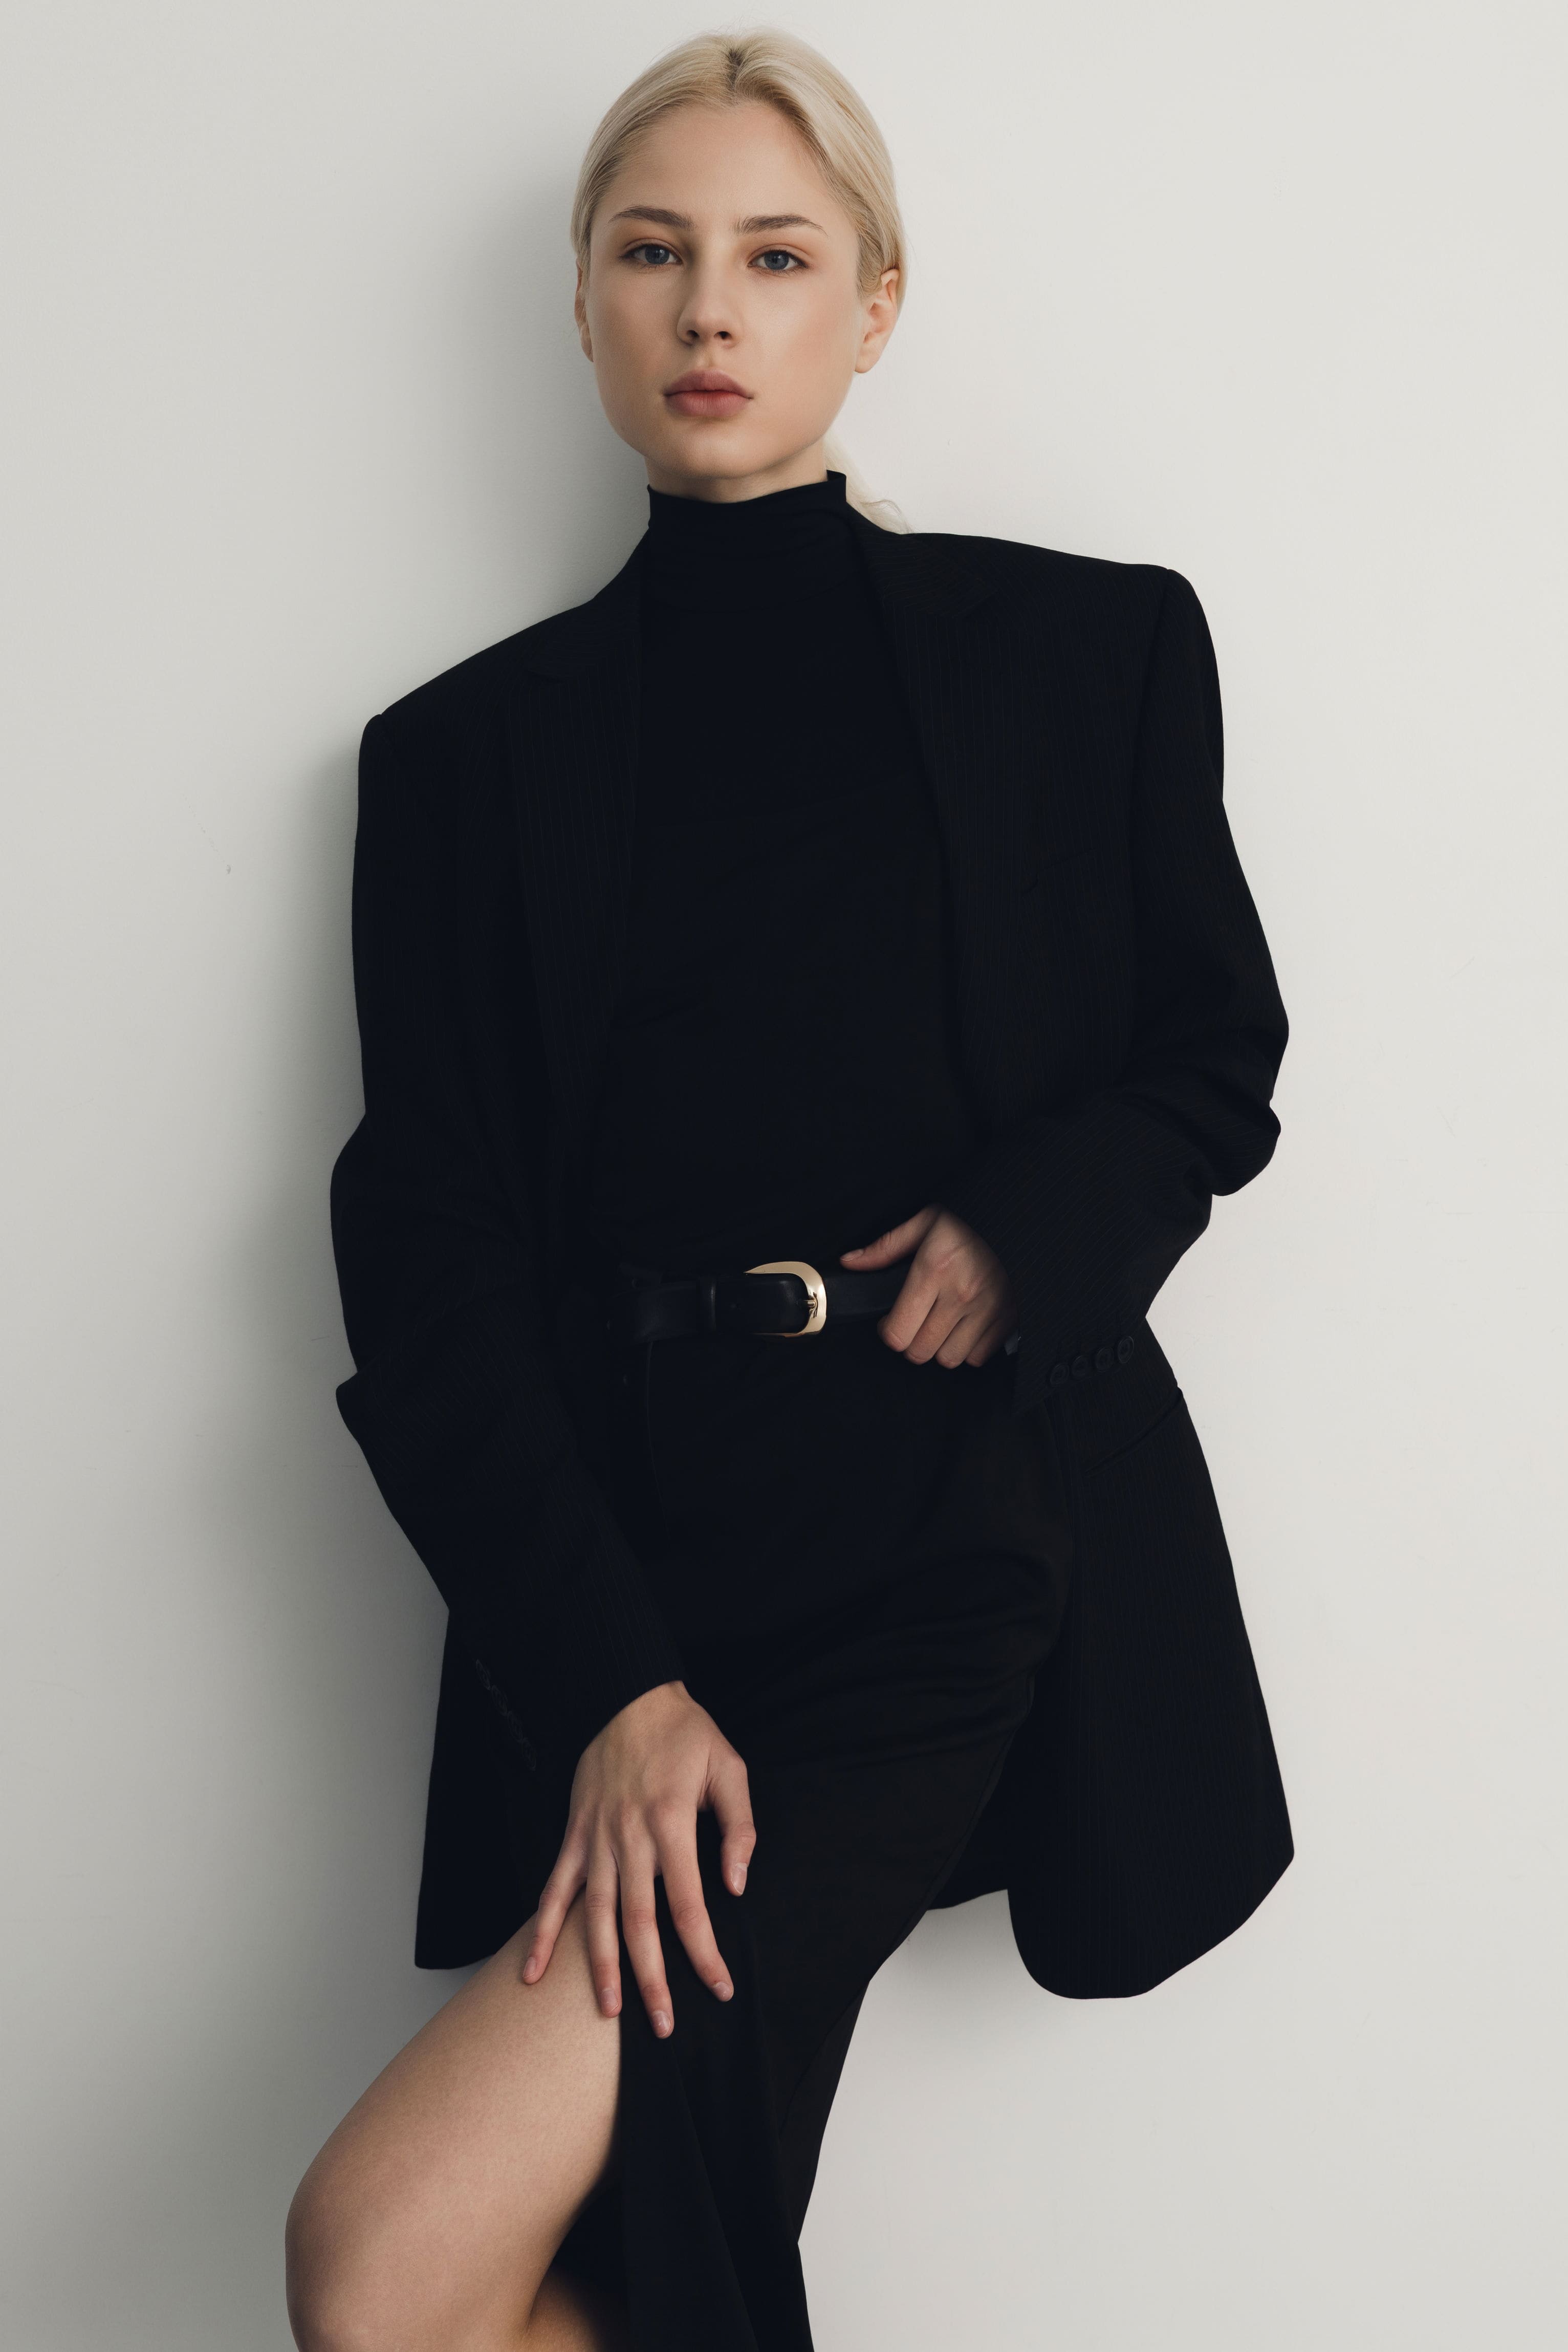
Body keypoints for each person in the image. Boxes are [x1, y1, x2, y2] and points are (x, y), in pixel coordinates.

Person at [285, 28, 1292, 2352]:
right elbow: (425, 1267)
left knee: (383, 2259)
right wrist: (614, 1686)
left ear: (876, 303)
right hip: (631, 1572)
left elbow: (1211, 1053)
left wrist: (1031, 1226)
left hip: (956, 1549)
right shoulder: (455, 765)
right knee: (531, 2283)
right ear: (583, 305)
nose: (709, 310)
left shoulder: (1089, 654)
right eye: (653, 255)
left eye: (774, 255)